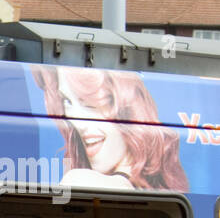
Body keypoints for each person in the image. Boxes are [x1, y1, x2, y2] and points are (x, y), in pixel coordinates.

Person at [32, 66, 189, 191]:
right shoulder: (160, 187)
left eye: (89, 103)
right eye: (67, 101)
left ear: (125, 107)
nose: (78, 123)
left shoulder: (79, 180)